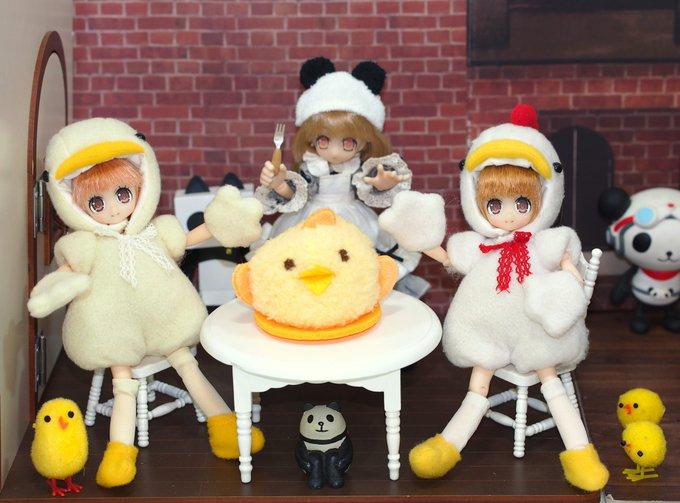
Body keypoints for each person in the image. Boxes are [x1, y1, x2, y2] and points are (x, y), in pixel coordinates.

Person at [379, 104, 609, 492]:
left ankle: (580, 453)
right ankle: (447, 445)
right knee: (478, 383)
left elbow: (573, 276)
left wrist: (567, 287)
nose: (508, 216)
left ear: (544, 197)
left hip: (536, 329)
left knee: (549, 378)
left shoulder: (548, 241)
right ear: (477, 202)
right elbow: (449, 259)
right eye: (494, 205)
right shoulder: (478, 245)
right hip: (486, 329)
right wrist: (420, 239)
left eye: (522, 204)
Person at [27, 118, 265, 488]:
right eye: (96, 202)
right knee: (123, 383)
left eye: (123, 195)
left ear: (141, 185)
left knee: (188, 365)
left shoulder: (152, 232)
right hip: (117, 329)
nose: (113, 209)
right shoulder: (87, 244)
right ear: (73, 203)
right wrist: (52, 290)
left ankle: (224, 426)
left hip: (165, 319)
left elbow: (187, 239)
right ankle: (120, 453)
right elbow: (68, 271)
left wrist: (221, 225)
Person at [254, 56, 427, 297]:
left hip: (352, 217)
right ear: (310, 138)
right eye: (324, 140)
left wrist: (382, 184)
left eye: (348, 142)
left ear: (365, 142)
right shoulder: (312, 166)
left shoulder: (359, 167)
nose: (334, 152)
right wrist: (280, 184)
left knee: (356, 266)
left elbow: (370, 188)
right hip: (311, 215)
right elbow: (298, 194)